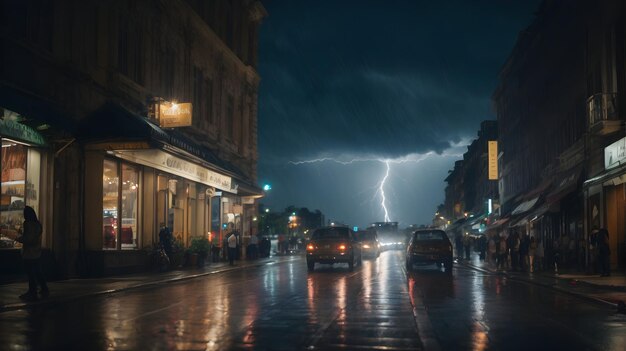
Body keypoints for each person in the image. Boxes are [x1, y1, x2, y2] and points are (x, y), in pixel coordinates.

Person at [15, 206, 48, 301]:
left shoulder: (28, 224)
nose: (23, 215)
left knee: (30, 273)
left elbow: (28, 239)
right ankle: (44, 287)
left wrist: (18, 238)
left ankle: (32, 291)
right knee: (37, 272)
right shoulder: (38, 224)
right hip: (37, 252)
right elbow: (34, 238)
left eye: (24, 213)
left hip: (29, 253)